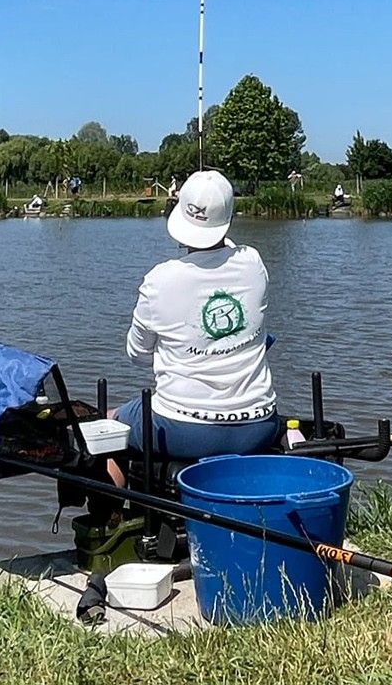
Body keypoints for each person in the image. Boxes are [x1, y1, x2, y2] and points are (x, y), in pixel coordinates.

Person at [109, 169, 277, 482]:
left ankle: (115, 521)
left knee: (108, 424)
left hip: (181, 428)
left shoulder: (160, 280)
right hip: (260, 425)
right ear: (228, 219)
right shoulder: (254, 263)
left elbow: (137, 355)